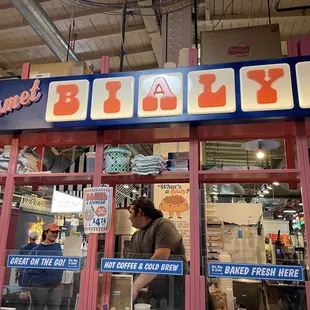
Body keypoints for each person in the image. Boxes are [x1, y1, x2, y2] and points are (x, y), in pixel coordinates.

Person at [128, 197, 188, 310]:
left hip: (173, 292)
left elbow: (160, 259)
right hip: (150, 294)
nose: (129, 217)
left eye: (131, 212)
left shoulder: (163, 225)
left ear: (140, 212)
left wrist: (135, 286)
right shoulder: (136, 236)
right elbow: (131, 265)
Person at [29, 223, 63, 310]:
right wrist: (24, 288)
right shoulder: (36, 250)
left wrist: (60, 279)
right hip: (40, 285)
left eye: (56, 232)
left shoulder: (57, 247)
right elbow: (28, 268)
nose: (55, 234)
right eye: (52, 232)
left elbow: (60, 264)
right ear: (46, 232)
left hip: (56, 285)